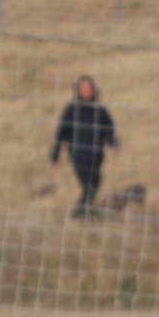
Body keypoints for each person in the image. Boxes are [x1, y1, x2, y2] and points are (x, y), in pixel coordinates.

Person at [50, 76, 118, 219]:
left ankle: (85, 210)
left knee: (95, 183)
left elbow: (108, 129)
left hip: (96, 156)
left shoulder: (100, 110)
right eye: (84, 89)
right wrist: (54, 155)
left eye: (90, 88)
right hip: (78, 156)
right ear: (78, 90)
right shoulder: (71, 110)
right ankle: (79, 212)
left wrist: (113, 143)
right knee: (88, 186)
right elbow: (61, 133)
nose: (87, 91)